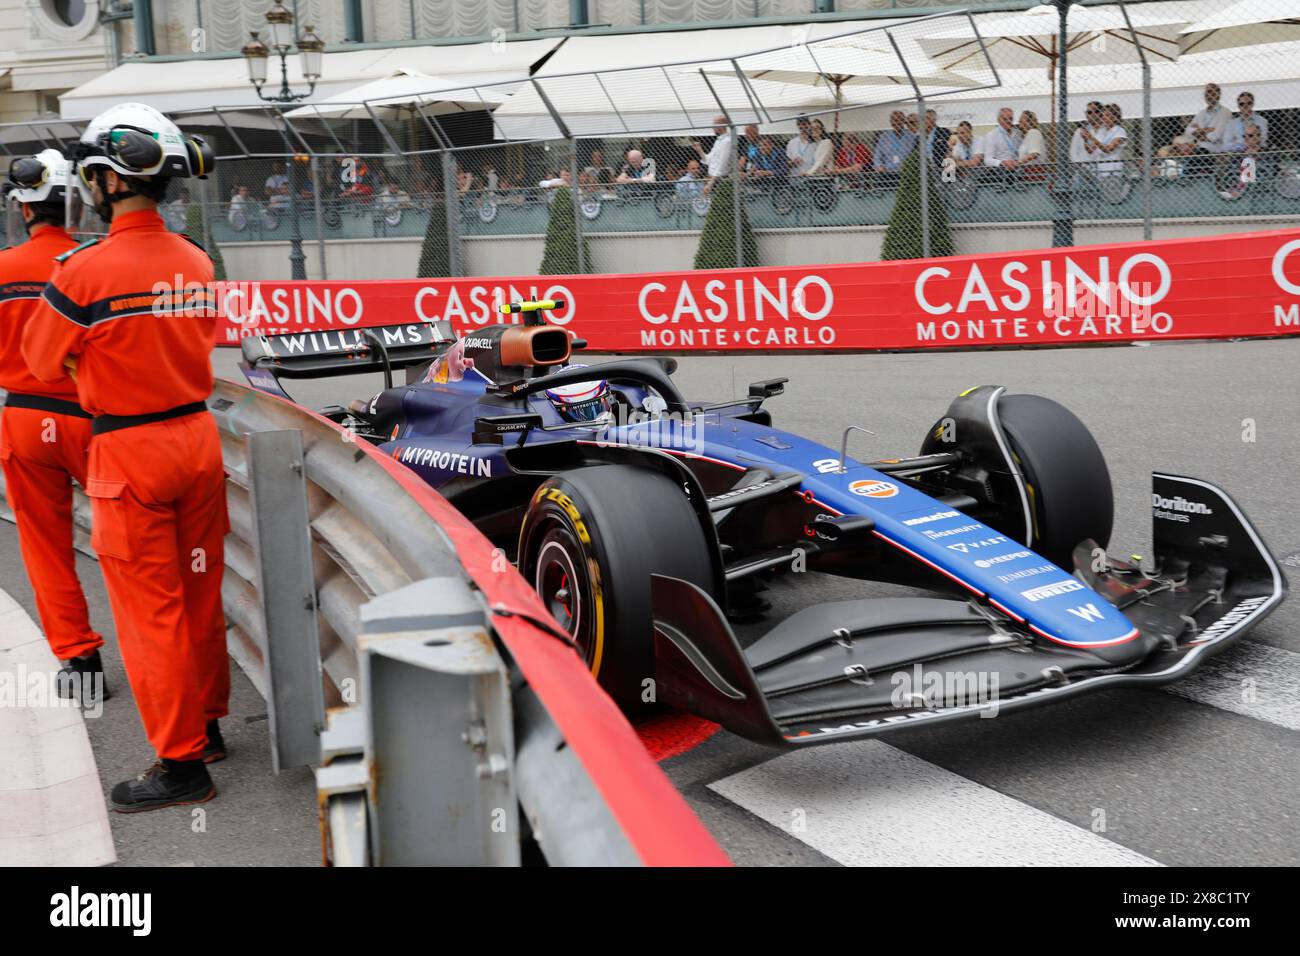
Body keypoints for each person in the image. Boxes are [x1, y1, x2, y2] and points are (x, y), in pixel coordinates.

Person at [22, 102, 228, 813]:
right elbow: (203, 337)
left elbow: (40, 359)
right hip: (198, 441)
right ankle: (207, 724)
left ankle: (180, 763)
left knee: (150, 613)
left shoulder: (83, 272)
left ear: (109, 182)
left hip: (129, 451)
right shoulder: (197, 259)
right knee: (200, 589)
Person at [0, 150, 106, 702]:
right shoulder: (94, 262)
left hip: (22, 418)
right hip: (97, 422)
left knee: (45, 546)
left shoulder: (2, 268)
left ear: (23, 210)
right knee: (123, 546)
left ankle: (81, 660)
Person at [693, 115, 735, 191]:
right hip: (713, 178)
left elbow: (722, 164)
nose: (712, 127)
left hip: (719, 180)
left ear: (721, 126)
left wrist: (710, 183)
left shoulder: (727, 141)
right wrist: (699, 150)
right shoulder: (718, 141)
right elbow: (708, 160)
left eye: (714, 125)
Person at [1185, 83, 1231, 153]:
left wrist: (1197, 132)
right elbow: (1187, 132)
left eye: (1212, 93)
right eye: (1206, 93)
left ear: (1219, 94)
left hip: (1216, 151)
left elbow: (1215, 136)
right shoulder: (1201, 113)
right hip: (1199, 150)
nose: (1209, 96)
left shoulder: (1225, 112)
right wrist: (1207, 130)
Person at [873, 111, 916, 176]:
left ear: (904, 122)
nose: (898, 122)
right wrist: (879, 166)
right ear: (891, 122)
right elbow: (877, 155)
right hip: (887, 171)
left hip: (907, 171)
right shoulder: (884, 137)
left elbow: (915, 153)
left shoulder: (911, 136)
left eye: (901, 120)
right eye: (895, 120)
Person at [1092, 103, 1128, 176]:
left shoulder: (1119, 131)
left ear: (1115, 118)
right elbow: (1091, 148)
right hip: (1100, 171)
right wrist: (1086, 139)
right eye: (1102, 115)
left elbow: (1108, 149)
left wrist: (1092, 138)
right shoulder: (1101, 131)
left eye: (1107, 115)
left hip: (1112, 171)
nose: (1103, 118)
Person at [1070, 101, 1105, 167]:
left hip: (1102, 171)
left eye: (1096, 111)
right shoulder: (1080, 130)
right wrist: (1079, 167)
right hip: (1083, 169)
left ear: (1101, 112)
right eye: (1089, 112)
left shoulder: (1106, 130)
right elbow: (1073, 151)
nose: (1092, 114)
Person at [1016, 110, 1046, 179]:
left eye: (1022, 118)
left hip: (1034, 172)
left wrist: (1017, 163)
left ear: (1029, 121)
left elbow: (1034, 154)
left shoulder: (1033, 132)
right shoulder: (1027, 135)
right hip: (1027, 173)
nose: (1019, 121)